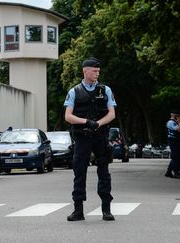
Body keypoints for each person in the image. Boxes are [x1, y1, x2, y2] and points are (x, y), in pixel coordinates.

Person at [64, 57, 117, 222]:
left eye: (98, 71)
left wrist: (98, 124)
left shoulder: (105, 90)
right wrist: (87, 122)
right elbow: (68, 116)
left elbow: (112, 113)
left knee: (104, 172)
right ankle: (78, 211)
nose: (97, 73)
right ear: (85, 71)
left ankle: (106, 210)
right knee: (79, 172)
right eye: (94, 71)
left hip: (100, 136)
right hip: (82, 137)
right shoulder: (74, 91)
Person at [165, 111, 180, 179]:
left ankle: (169, 172)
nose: (177, 116)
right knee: (175, 157)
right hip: (173, 141)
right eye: (176, 114)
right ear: (172, 114)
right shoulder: (171, 122)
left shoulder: (174, 122)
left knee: (176, 157)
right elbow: (179, 129)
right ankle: (176, 173)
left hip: (176, 141)